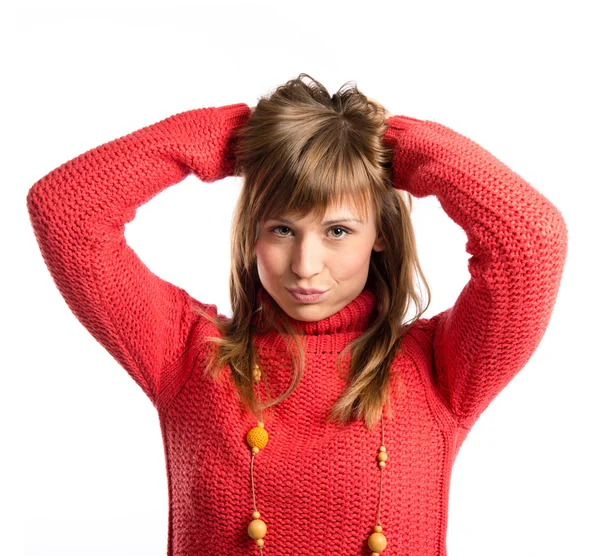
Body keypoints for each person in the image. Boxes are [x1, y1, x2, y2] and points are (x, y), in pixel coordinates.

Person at [26, 73, 568, 555]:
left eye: (338, 231)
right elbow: (67, 211)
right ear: (252, 232)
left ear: (379, 234)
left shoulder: (441, 369)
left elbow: (530, 242)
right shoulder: (185, 353)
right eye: (282, 229)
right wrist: (232, 138)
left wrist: (387, 146)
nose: (305, 266)